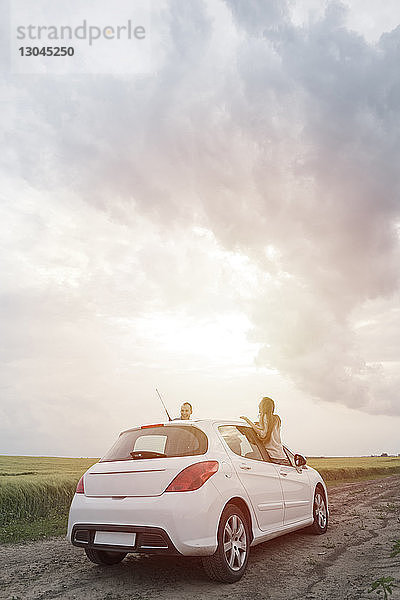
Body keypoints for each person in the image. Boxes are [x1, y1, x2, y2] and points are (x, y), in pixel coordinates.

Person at [241, 397, 289, 464]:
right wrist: (259, 424)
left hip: (271, 454)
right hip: (280, 455)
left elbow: (263, 434)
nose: (258, 406)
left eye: (260, 404)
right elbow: (269, 429)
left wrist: (248, 421)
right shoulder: (277, 419)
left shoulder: (264, 416)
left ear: (263, 406)